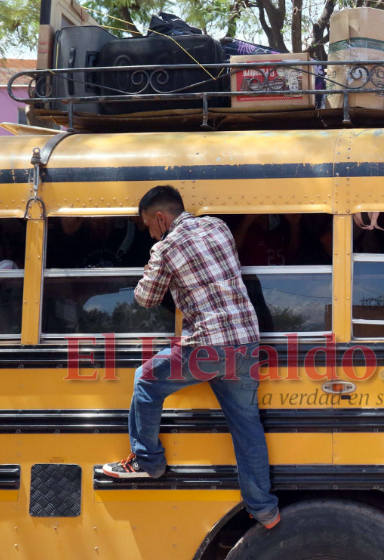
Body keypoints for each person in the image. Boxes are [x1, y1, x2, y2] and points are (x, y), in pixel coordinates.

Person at [102, 186, 280, 529]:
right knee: (247, 427)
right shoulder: (218, 226)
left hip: (206, 347)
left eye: (148, 226)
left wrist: (153, 263)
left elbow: (146, 298)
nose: (149, 233)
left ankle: (148, 462)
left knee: (146, 380)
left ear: (160, 218)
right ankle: (264, 509)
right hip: (246, 343)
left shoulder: (165, 248)